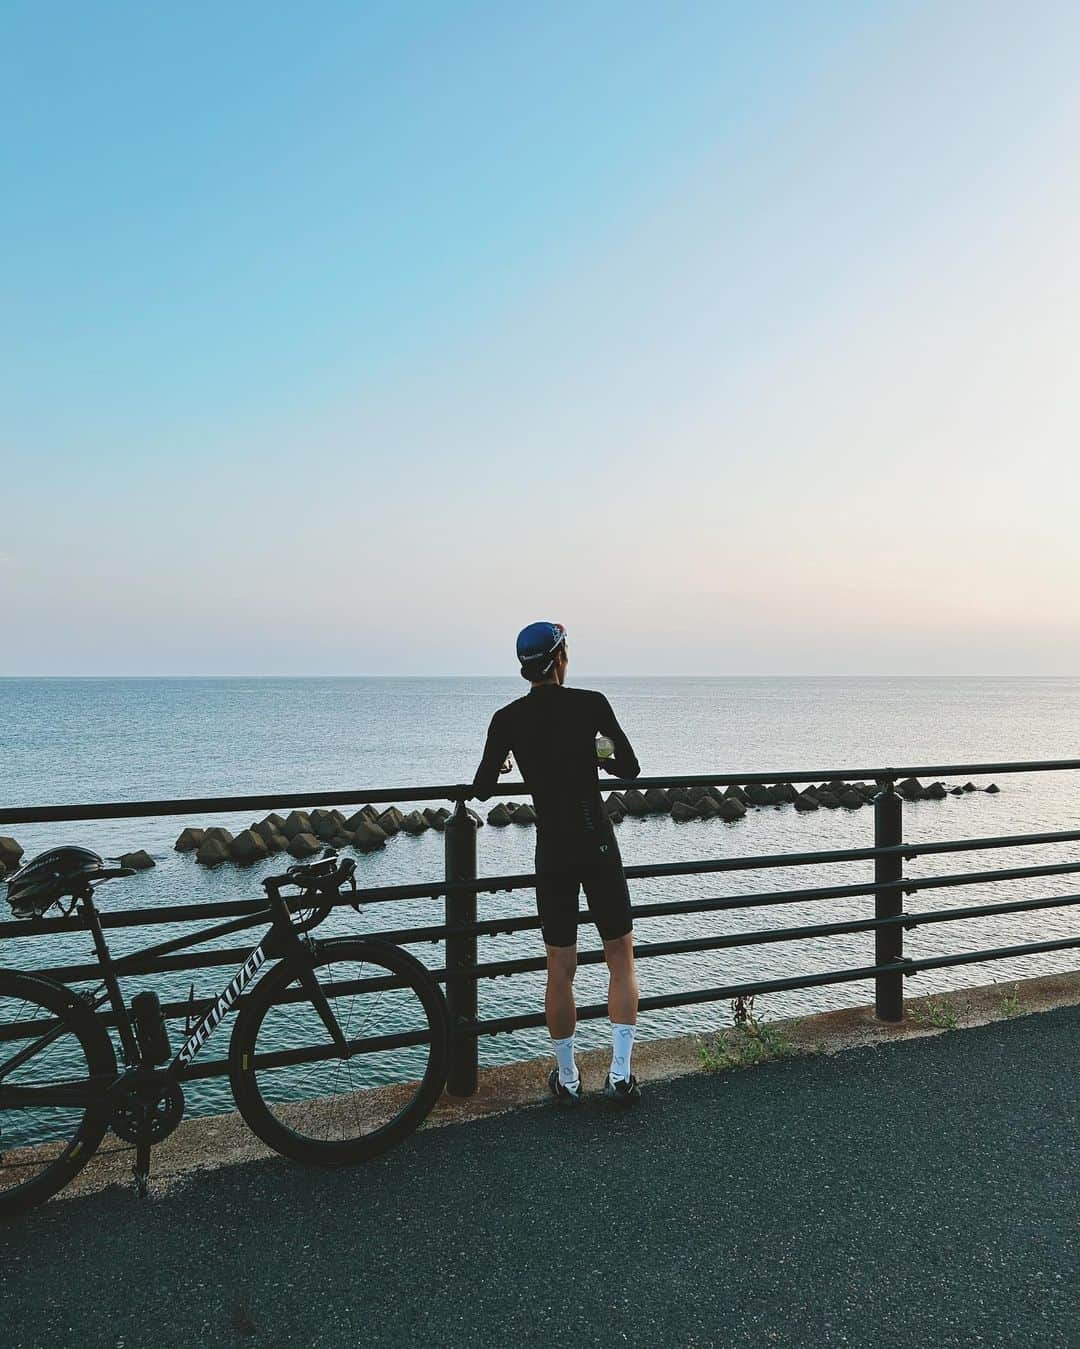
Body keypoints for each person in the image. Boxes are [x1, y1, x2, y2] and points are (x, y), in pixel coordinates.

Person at [472, 621, 642, 1104]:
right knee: (620, 959)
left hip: (553, 852)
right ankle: (620, 1075)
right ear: (560, 658)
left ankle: (567, 1079)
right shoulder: (591, 705)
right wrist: (598, 753)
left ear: (525, 668)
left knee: (559, 968)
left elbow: (483, 787)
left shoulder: (507, 719)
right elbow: (628, 766)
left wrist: (507, 764)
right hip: (597, 843)